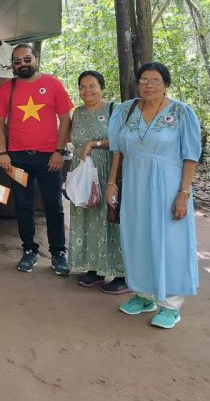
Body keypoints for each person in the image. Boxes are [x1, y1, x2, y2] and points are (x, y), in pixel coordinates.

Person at [106, 62, 201, 329]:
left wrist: (184, 193)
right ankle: (143, 293)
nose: (149, 84)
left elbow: (190, 155)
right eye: (144, 79)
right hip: (135, 185)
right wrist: (112, 182)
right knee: (138, 238)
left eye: (155, 80)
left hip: (169, 186)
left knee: (171, 242)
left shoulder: (182, 112)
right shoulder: (126, 110)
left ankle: (171, 305)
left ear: (165, 83)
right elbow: (117, 150)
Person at [0, 43, 72, 276]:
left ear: (36, 59)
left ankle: (58, 252)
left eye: (27, 59)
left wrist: (59, 150)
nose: (22, 64)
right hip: (18, 158)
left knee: (53, 206)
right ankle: (29, 250)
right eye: (17, 61)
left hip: (50, 157)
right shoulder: (7, 89)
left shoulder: (53, 84)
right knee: (23, 206)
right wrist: (3, 152)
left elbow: (65, 119)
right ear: (12, 65)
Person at [68, 71, 128, 293]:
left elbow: (123, 140)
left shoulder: (115, 109)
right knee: (86, 217)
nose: (87, 91)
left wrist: (95, 143)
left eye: (92, 86)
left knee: (109, 218)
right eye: (82, 87)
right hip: (83, 173)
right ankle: (93, 267)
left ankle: (121, 272)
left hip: (106, 172)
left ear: (101, 87)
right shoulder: (79, 112)